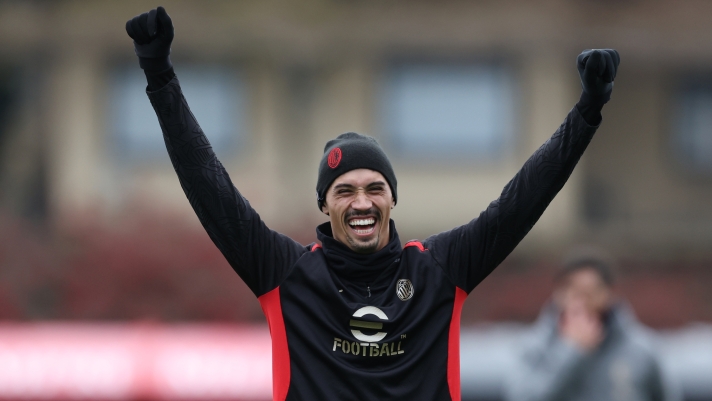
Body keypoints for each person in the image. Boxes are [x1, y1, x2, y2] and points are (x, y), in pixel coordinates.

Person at [125, 7, 620, 401]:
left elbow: (521, 202)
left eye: (374, 188)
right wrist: (159, 75)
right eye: (344, 191)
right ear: (324, 205)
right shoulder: (285, 273)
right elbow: (209, 186)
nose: (361, 201)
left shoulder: (439, 271)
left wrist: (587, 112)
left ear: (392, 199)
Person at [504, 250, 680, 401]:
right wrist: (571, 350)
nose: (581, 302)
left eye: (590, 292)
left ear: (609, 293)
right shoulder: (535, 347)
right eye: (574, 291)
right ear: (558, 293)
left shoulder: (641, 350)